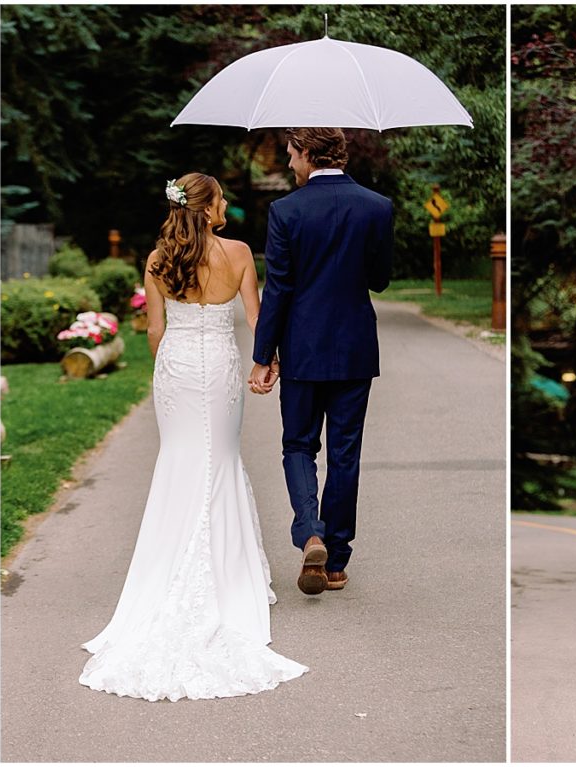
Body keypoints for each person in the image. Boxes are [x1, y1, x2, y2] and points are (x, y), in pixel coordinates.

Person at [80, 172, 307, 701]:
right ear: (206, 209)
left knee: (181, 462)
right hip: (220, 370)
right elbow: (257, 318)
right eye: (222, 197)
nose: (227, 203)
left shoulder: (159, 260)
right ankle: (229, 577)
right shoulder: (240, 253)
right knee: (220, 460)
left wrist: (167, 372)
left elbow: (155, 332)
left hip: (178, 370)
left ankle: (166, 571)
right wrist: (264, 364)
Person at [250, 127, 394, 596]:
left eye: (292, 155)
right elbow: (380, 280)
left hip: (303, 349)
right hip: (354, 350)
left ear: (309, 154)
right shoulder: (377, 207)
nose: (290, 164)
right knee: (344, 454)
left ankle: (310, 531)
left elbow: (279, 290)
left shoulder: (286, 211)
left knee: (298, 445)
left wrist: (262, 356)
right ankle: (334, 561)